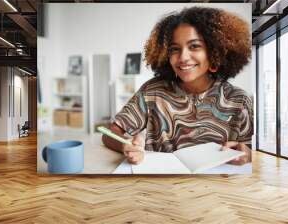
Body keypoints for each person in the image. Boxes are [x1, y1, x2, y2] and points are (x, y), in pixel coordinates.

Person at [102, 7, 253, 166]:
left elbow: (250, 151)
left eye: (194, 46)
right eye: (175, 49)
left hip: (217, 185)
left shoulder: (239, 100)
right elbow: (109, 133)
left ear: (215, 51)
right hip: (163, 183)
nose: (183, 57)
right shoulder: (152, 92)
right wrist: (125, 143)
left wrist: (247, 154)